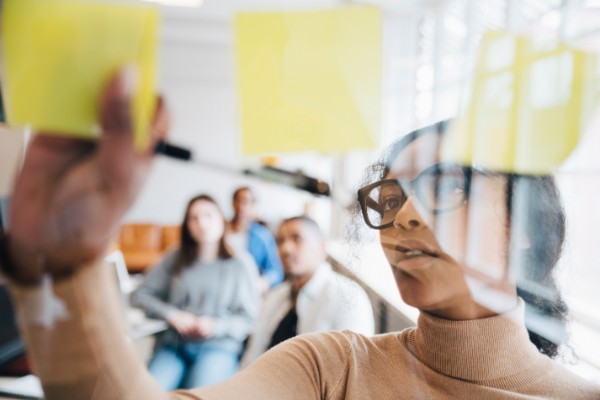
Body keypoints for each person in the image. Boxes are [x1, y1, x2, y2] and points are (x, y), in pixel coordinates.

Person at [1, 72, 599, 399]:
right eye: (389, 196)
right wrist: (58, 268)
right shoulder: (331, 367)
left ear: (526, 220)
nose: (404, 217)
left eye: (443, 186)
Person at [130, 194, 260, 389]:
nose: (202, 223)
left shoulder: (241, 264)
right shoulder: (175, 257)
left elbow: (249, 319)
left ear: (221, 220)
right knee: (146, 393)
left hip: (218, 346)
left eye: (208, 215)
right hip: (174, 345)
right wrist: (172, 314)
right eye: (194, 218)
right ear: (187, 225)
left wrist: (215, 326)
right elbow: (140, 295)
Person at [240, 216, 374, 367]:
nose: (286, 249)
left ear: (322, 247)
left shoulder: (347, 297)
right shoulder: (276, 295)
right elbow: (253, 353)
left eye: (297, 239)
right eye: (280, 241)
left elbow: (353, 367)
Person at [227, 187, 284, 292]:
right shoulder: (220, 230)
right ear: (233, 203)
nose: (242, 206)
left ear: (253, 206)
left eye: (247, 202)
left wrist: (263, 282)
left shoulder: (263, 236)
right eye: (238, 201)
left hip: (246, 288)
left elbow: (276, 272)